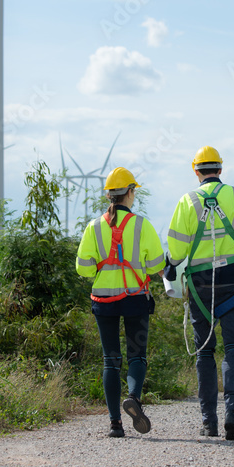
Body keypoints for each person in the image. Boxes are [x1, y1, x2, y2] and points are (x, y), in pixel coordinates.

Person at [166, 146, 234, 440]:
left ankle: (208, 421)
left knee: (204, 350)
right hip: (233, 278)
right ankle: (232, 414)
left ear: (196, 171)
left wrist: (170, 268)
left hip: (200, 283)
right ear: (220, 170)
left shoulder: (186, 201)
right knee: (233, 347)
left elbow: (178, 251)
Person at [76, 166, 165, 438]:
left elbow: (83, 268)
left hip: (104, 301)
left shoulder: (93, 227)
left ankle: (115, 424)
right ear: (130, 193)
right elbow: (156, 265)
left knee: (110, 360)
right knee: (137, 355)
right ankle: (134, 400)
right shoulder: (142, 225)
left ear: (108, 196)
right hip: (135, 299)